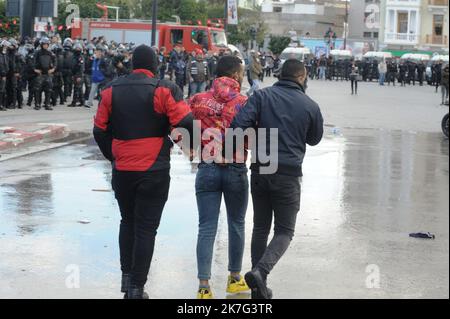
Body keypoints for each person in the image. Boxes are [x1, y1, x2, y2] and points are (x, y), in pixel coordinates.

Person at [93, 45, 194, 299]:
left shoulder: (109, 90)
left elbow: (99, 130)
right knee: (146, 229)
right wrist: (180, 144)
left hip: (123, 168)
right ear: (155, 64)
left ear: (132, 63)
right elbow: (185, 123)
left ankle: (127, 280)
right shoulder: (165, 89)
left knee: (127, 221)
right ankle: (137, 288)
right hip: (154, 169)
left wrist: (113, 155)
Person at [230, 59, 324, 299]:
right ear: (302, 77)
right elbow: (314, 139)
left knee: (260, 227)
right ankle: (260, 272)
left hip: (261, 168)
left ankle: (257, 289)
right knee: (284, 231)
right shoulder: (310, 105)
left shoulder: (262, 97)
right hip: (288, 173)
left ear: (281, 74)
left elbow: (238, 125)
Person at [189, 56, 250, 299]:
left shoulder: (198, 99)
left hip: (207, 167)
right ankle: (234, 279)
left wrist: (195, 148)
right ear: (235, 75)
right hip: (235, 168)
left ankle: (204, 286)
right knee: (236, 224)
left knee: (206, 227)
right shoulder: (245, 102)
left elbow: (182, 126)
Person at [33, 37, 56, 111]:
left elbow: (55, 61)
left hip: (48, 74)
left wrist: (53, 69)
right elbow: (32, 62)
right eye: (44, 44)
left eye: (47, 44)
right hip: (40, 73)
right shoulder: (37, 52)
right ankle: (37, 104)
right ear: (41, 44)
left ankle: (47, 104)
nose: (46, 46)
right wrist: (34, 69)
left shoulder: (50, 53)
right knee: (37, 89)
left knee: (48, 90)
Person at [68, 42, 85, 107]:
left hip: (78, 75)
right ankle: (82, 101)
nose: (77, 49)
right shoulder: (74, 56)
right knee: (79, 89)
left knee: (76, 89)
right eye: (76, 48)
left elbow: (81, 67)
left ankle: (74, 102)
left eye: (78, 48)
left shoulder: (80, 57)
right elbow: (73, 66)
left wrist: (79, 76)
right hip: (74, 74)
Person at [0, 40, 10, 111]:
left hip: (4, 75)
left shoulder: (5, 55)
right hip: (2, 75)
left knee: (2, 91)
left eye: (6, 47)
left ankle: (1, 104)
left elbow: (6, 65)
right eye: (4, 46)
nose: (5, 48)